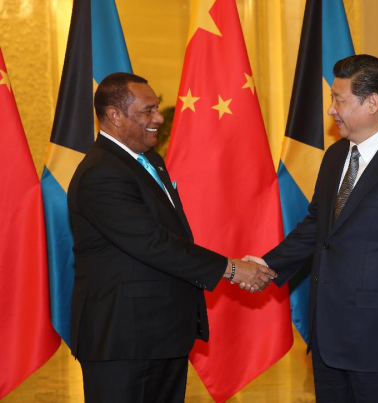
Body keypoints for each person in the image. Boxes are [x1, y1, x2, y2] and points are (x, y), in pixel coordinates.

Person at [244, 55, 378, 402]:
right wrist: (266, 265)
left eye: (339, 99)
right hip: (328, 340)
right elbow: (317, 227)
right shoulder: (336, 155)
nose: (330, 110)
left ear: (372, 103)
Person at [67, 72, 276, 402]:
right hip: (124, 340)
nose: (159, 118)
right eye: (147, 111)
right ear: (114, 116)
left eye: (157, 108)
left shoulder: (149, 160)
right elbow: (152, 244)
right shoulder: (101, 173)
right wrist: (233, 269)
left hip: (161, 334)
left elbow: (172, 233)